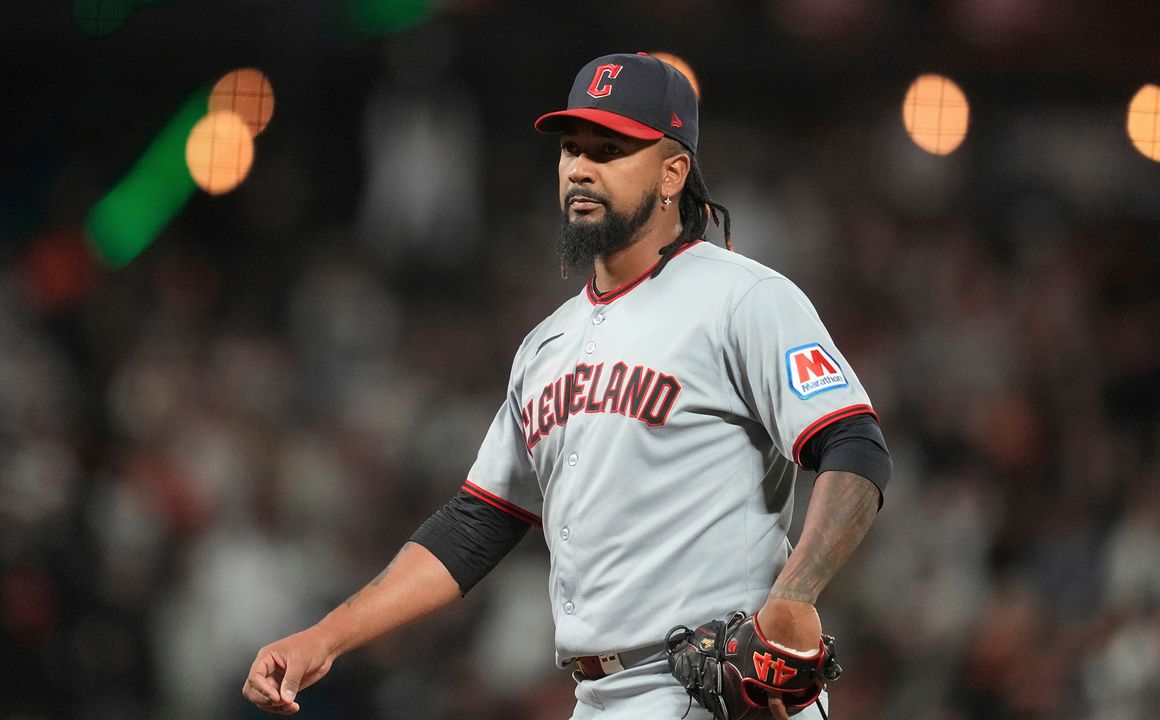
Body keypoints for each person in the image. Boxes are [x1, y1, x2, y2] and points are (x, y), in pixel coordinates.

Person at [242, 52, 890, 719]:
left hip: (724, 689)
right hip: (599, 697)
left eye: (609, 150)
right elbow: (477, 523)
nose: (580, 168)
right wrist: (326, 637)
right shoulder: (545, 346)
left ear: (674, 172)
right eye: (571, 149)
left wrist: (796, 593)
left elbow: (854, 446)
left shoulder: (742, 298)